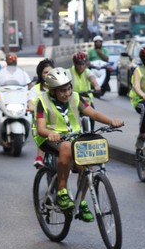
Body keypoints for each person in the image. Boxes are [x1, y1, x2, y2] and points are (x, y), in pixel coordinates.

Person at [34, 67, 123, 222]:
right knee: (66, 147)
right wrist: (51, 134)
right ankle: (62, 192)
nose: (67, 93)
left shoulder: (75, 97)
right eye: (62, 91)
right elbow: (41, 128)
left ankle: (80, 202)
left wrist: (111, 121)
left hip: (73, 136)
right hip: (49, 138)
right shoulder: (42, 101)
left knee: (86, 161)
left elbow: (92, 113)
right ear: (53, 91)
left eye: (68, 89)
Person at [0, 53, 33, 147]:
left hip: (19, 98)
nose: (13, 59)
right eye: (10, 58)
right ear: (6, 60)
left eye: (14, 58)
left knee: (33, 112)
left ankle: (38, 137)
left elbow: (30, 86)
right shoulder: (0, 73)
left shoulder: (22, 73)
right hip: (4, 98)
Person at [27, 58, 55, 167]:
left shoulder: (59, 87)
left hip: (58, 121)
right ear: (40, 74)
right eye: (45, 72)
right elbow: (30, 104)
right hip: (40, 122)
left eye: (50, 72)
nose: (48, 74)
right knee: (43, 130)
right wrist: (37, 109)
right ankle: (39, 157)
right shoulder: (35, 89)